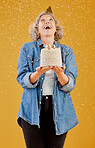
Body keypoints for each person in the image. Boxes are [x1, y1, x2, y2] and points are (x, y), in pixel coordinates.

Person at [16, 6, 79, 148]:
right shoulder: (27, 49)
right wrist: (38, 72)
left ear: (55, 28)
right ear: (37, 29)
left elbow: (70, 85)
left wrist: (59, 73)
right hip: (31, 110)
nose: (47, 22)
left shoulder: (67, 51)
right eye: (42, 20)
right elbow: (22, 78)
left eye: (50, 20)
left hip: (60, 111)